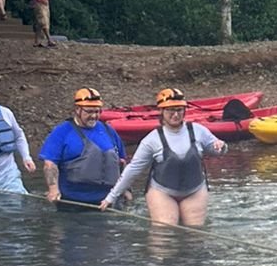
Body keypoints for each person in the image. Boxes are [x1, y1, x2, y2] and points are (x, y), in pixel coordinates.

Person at [101, 89, 224, 226]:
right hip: (162, 192)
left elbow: (218, 150)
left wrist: (221, 146)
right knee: (165, 229)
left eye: (179, 110)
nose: (176, 114)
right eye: (170, 110)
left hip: (195, 190)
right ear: (161, 111)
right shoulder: (151, 140)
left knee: (195, 230)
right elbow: (133, 169)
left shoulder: (199, 131)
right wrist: (111, 197)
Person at [40, 88, 124, 207]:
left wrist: (126, 189)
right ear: (77, 109)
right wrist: (53, 189)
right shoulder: (62, 132)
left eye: (97, 111)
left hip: (107, 202)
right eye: (89, 112)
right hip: (72, 202)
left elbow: (122, 162)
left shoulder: (108, 131)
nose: (94, 116)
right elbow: (50, 164)